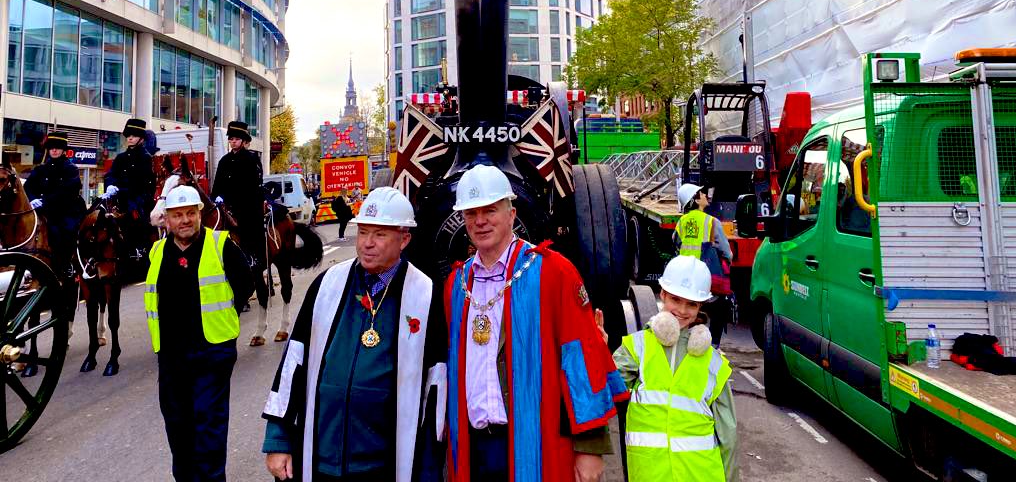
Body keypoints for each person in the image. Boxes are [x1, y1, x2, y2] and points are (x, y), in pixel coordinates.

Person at [444, 164, 627, 482]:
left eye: (490, 210)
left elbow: (581, 361)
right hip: (474, 449)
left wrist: (589, 448)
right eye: (471, 213)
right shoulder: (457, 284)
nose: (480, 221)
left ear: (512, 214)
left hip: (536, 446)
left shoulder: (554, 272)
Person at [262, 186, 447, 482]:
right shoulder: (327, 285)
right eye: (363, 233)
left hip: (384, 467)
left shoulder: (425, 296)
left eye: (380, 234)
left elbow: (435, 389)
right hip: (322, 460)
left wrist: (427, 468)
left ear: (404, 239)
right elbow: (293, 361)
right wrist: (278, 440)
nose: (367, 244)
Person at [144, 185, 253, 482]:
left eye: (190, 213)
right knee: (177, 424)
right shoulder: (156, 252)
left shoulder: (220, 244)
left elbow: (245, 283)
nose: (185, 220)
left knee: (208, 422)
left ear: (200, 214)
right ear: (166, 219)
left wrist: (227, 316)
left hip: (211, 351)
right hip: (170, 355)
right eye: (177, 215)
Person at [613, 255, 737, 482]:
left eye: (692, 303)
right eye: (676, 299)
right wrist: (597, 351)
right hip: (650, 474)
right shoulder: (638, 348)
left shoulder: (714, 364)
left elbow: (728, 435)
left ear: (701, 306)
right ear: (662, 295)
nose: (682, 309)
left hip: (702, 474)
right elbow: (606, 387)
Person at [675, 183, 733, 346]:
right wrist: (727, 261)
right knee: (720, 307)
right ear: (694, 199)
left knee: (689, 311)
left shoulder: (682, 222)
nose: (705, 195)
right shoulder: (711, 222)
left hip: (685, 277)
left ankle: (686, 341)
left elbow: (676, 243)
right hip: (706, 278)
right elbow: (726, 252)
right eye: (701, 194)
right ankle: (714, 344)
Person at [24, 131, 87, 276]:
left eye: (57, 147)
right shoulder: (41, 169)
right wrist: (33, 199)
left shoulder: (70, 169)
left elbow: (66, 192)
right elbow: (27, 187)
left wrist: (45, 201)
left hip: (64, 211)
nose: (54, 150)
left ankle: (66, 264)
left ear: (64, 150)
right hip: (42, 211)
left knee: (63, 233)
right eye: (51, 147)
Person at [211, 120, 265, 267]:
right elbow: (218, 183)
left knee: (248, 223)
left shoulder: (251, 159)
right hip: (225, 204)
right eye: (231, 139)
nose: (233, 142)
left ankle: (253, 255)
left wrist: (234, 199)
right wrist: (216, 196)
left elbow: (252, 185)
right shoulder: (224, 160)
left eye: (236, 139)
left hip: (246, 203)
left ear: (243, 141)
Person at [104, 117, 157, 259]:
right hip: (118, 200)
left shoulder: (146, 158)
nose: (130, 138)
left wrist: (123, 191)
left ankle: (139, 249)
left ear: (141, 138)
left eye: (133, 136)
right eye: (128, 136)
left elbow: (144, 185)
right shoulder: (120, 157)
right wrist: (110, 186)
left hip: (138, 200)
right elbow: (110, 174)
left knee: (135, 219)